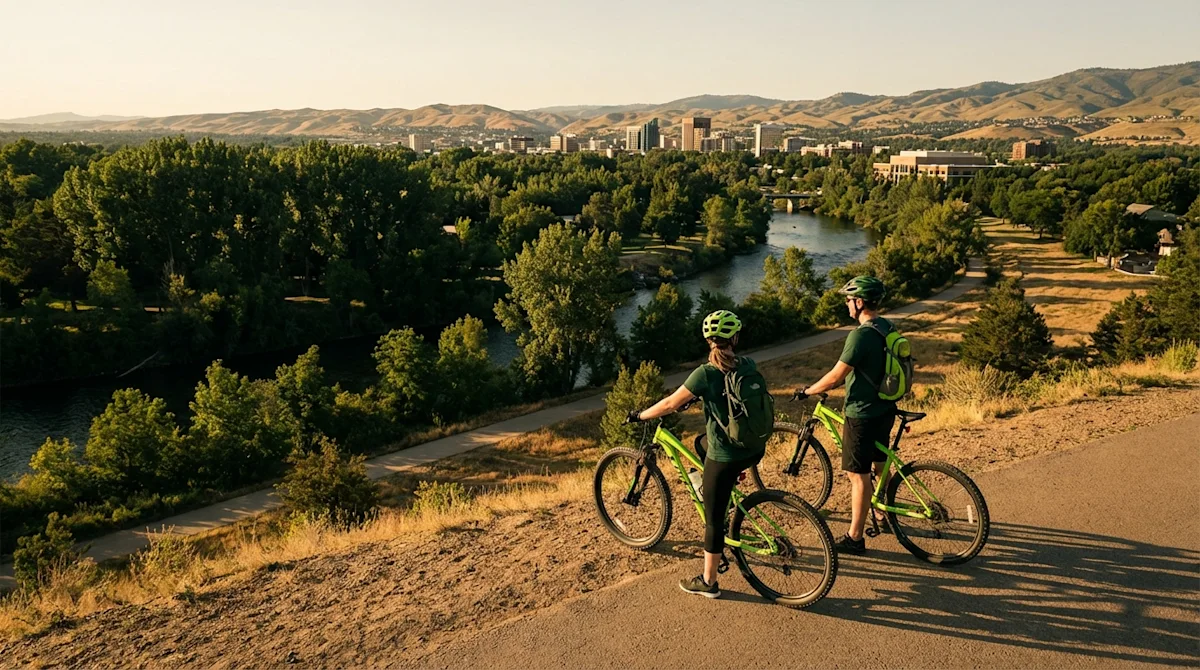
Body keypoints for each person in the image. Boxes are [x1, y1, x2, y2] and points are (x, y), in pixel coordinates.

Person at [627, 310, 764, 599]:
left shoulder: (706, 373)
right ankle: (720, 484)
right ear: (735, 338)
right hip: (754, 449)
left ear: (708, 342)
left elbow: (668, 404)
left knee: (713, 521)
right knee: (701, 442)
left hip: (727, 456)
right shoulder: (747, 364)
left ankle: (709, 582)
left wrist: (640, 416)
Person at [798, 276, 895, 555]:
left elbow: (837, 376)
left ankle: (854, 537)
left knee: (857, 474)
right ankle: (883, 514)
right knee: (879, 466)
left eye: (849, 299)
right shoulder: (887, 326)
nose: (846, 303)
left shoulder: (861, 334)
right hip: (885, 408)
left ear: (860, 302)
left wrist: (808, 391)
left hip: (862, 413)